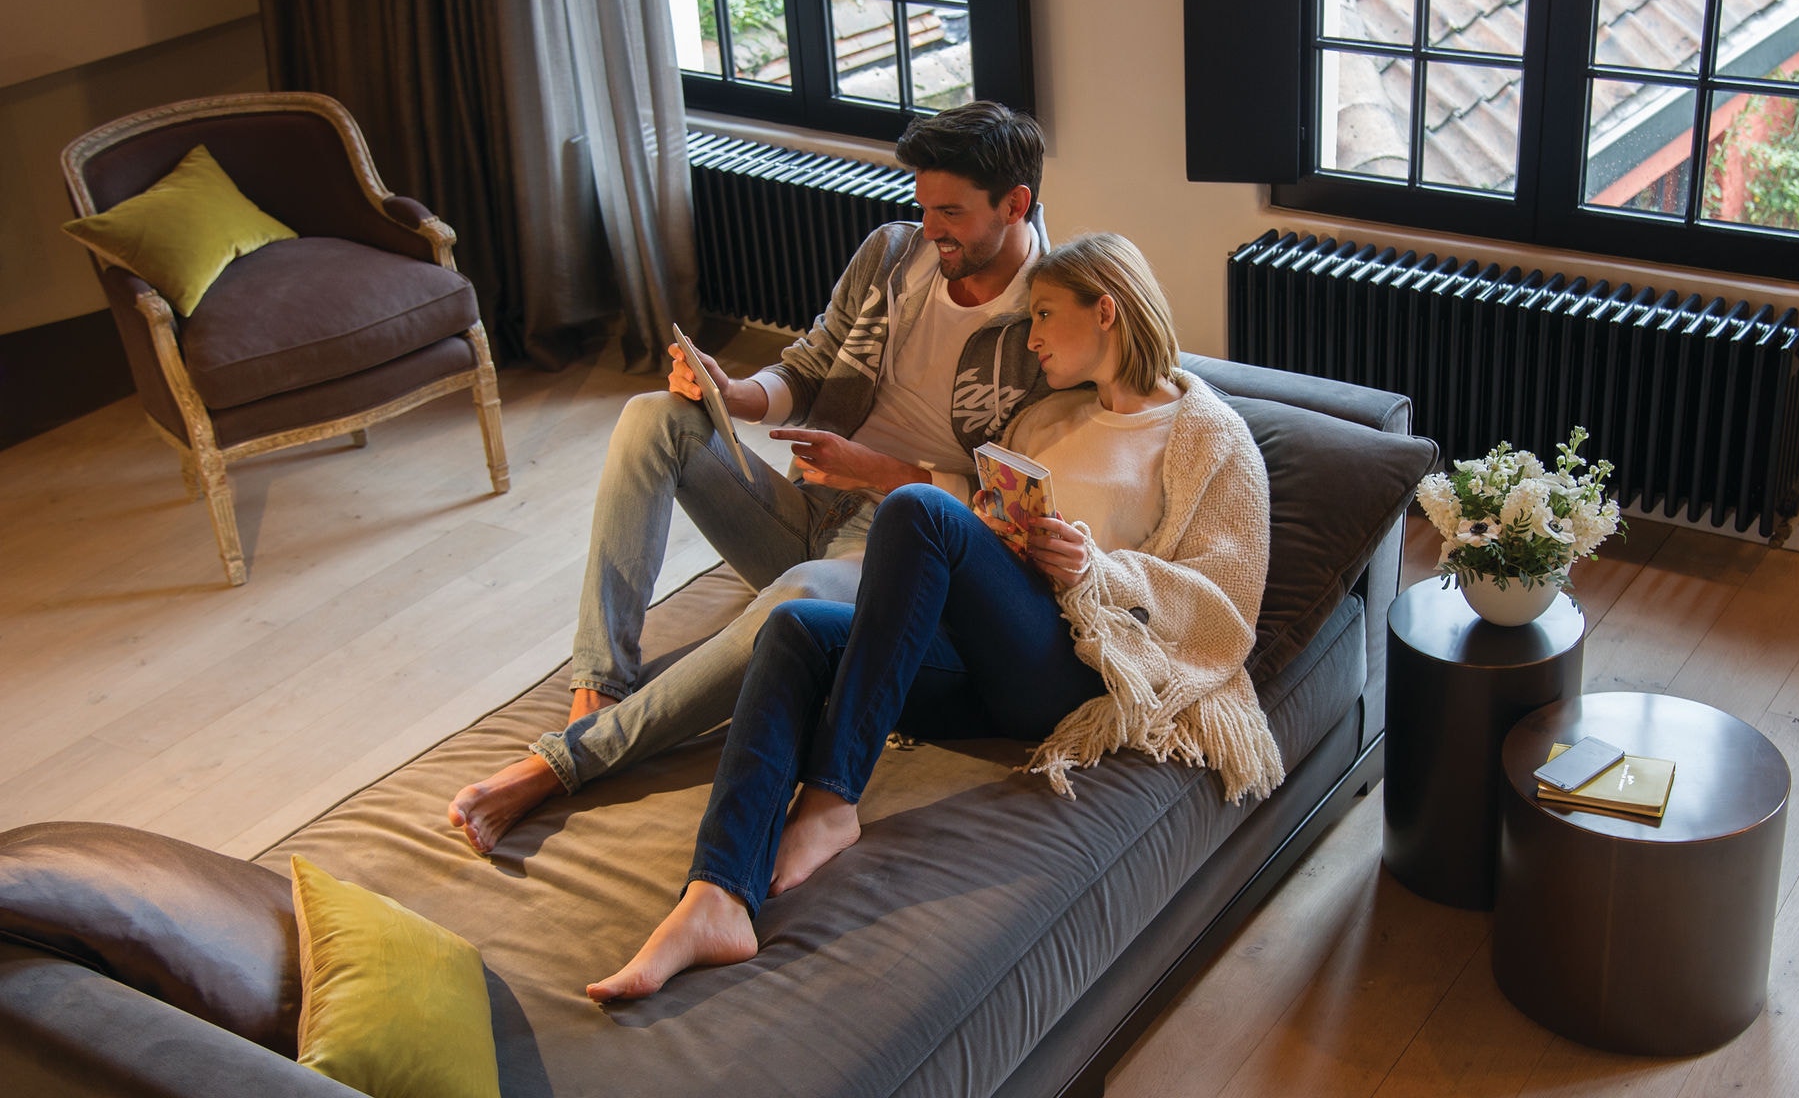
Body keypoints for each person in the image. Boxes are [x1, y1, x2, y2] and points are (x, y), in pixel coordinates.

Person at [584, 233, 1281, 1001]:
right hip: (987, 655)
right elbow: (982, 528)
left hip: (1077, 670)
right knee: (794, 631)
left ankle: (832, 798)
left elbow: (1225, 604)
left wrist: (1097, 568)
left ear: (1107, 311)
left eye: (1045, 315)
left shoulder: (1209, 438)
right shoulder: (1049, 420)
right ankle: (716, 895)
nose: (1033, 338)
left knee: (918, 510)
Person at [450, 102, 1054, 854]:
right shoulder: (894, 254)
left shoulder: (1047, 315)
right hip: (815, 502)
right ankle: (597, 688)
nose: (931, 228)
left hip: (901, 552)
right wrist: (732, 394)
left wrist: (882, 470)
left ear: (1016, 204)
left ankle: (568, 761)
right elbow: (806, 362)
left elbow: (1016, 503)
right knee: (652, 416)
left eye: (952, 212)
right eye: (924, 206)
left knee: (796, 597)